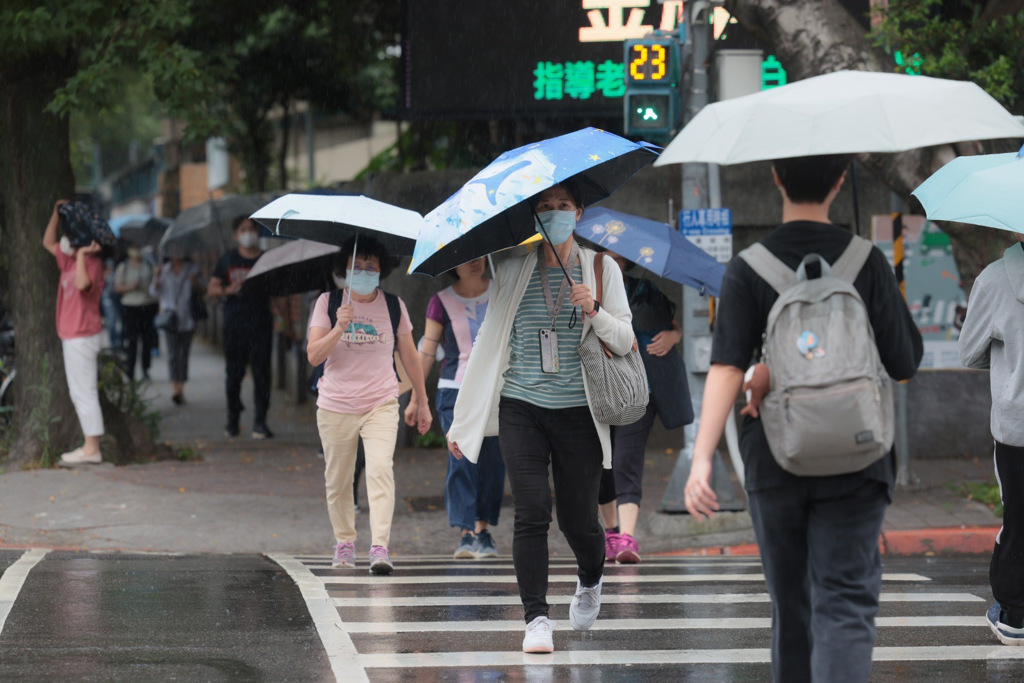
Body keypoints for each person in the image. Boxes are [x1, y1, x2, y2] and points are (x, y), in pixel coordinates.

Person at [684, 154, 923, 682]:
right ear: (840, 181)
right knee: (845, 602)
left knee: (791, 608)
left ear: (775, 177)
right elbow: (905, 362)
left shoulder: (748, 267)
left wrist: (701, 459)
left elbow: (727, 368)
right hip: (859, 456)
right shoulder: (867, 260)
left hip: (776, 459)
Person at [446, 183, 636, 654]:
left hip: (581, 411)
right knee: (531, 511)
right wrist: (464, 421)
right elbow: (487, 344)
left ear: (579, 212)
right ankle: (536, 618)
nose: (554, 214)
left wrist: (594, 309)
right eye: (545, 207)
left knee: (578, 521)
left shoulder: (602, 267)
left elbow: (624, 339)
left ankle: (590, 577)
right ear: (533, 217)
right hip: (521, 407)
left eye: (563, 206)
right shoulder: (512, 269)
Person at [307, 235, 432, 576]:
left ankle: (380, 546)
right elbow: (314, 355)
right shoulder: (328, 302)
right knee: (338, 479)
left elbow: (410, 355)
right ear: (344, 269)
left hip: (381, 401)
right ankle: (344, 542)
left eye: (370, 266)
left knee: (380, 470)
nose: (363, 272)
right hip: (335, 404)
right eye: (357, 266)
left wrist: (422, 400)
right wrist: (339, 327)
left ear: (381, 270)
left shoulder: (393, 306)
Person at [405, 257, 505, 560]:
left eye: (480, 256)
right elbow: (427, 352)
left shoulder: (502, 291)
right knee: (461, 459)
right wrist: (416, 399)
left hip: (495, 389)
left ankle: (483, 529)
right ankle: (466, 532)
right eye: (467, 259)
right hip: (455, 392)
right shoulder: (441, 301)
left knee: (492, 462)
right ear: (454, 262)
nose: (474, 263)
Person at [958, 232, 1024, 646]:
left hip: (1017, 426)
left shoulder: (995, 279)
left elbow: (969, 351)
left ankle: (1015, 615)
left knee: (1018, 518)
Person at [598, 252, 685, 565]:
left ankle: (627, 537)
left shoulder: (643, 289)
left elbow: (671, 324)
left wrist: (673, 336)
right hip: (595, 391)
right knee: (601, 464)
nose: (613, 263)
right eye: (607, 256)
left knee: (626, 460)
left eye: (619, 258)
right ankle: (611, 532)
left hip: (638, 390)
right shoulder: (584, 288)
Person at [42, 199, 106, 466]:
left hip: (82, 334)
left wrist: (81, 255)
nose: (65, 240)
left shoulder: (91, 263)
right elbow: (47, 242)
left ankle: (92, 448)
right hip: (72, 334)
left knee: (83, 391)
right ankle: (90, 446)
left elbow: (82, 285)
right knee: (79, 391)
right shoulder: (68, 261)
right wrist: (55, 214)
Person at [207, 216, 274, 438]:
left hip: (261, 324)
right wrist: (229, 290)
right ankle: (233, 419)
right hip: (235, 325)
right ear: (236, 235)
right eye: (243, 229)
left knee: (262, 375)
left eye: (251, 229)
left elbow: (277, 291)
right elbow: (212, 289)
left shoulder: (266, 260)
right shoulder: (227, 260)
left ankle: (260, 421)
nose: (248, 233)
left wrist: (284, 322)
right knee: (234, 374)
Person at [150, 245, 203, 405]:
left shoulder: (193, 270)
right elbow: (153, 292)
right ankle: (175, 388)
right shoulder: (163, 270)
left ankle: (181, 386)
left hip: (188, 318)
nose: (177, 253)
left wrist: (195, 283)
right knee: (173, 355)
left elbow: (204, 289)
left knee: (184, 354)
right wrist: (156, 277)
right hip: (170, 318)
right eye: (173, 250)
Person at [114, 246, 157, 381]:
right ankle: (130, 370)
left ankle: (145, 368)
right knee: (132, 341)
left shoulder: (148, 265)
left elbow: (155, 285)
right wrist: (131, 286)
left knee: (147, 340)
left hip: (147, 305)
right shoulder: (124, 267)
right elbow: (117, 287)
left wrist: (157, 276)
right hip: (130, 306)